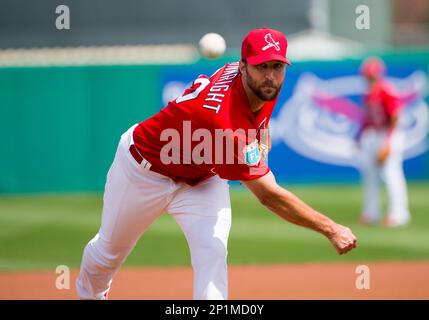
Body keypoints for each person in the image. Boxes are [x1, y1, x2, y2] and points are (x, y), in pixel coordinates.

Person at [76, 28, 357, 300]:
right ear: (244, 67)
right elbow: (270, 196)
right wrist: (331, 228)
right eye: (261, 67)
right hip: (143, 169)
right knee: (108, 253)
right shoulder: (225, 125)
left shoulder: (261, 83)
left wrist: (259, 137)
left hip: (202, 178)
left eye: (277, 66)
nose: (270, 76)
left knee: (212, 252)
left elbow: (257, 118)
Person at [357, 57, 411, 227]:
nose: (369, 78)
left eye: (371, 75)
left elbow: (395, 117)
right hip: (374, 134)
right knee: (369, 175)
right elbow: (368, 119)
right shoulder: (368, 94)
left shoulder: (387, 91)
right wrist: (359, 137)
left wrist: (388, 143)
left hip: (389, 133)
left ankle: (399, 214)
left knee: (390, 174)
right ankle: (371, 213)